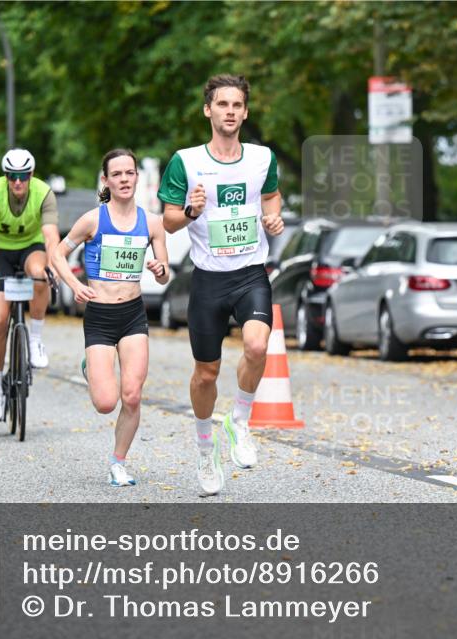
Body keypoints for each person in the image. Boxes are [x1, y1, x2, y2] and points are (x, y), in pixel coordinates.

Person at [158, 74, 284, 495]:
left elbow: (271, 196)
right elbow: (168, 221)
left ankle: (239, 421)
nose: (230, 111)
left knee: (257, 347)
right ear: (207, 110)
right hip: (209, 279)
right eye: (222, 104)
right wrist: (191, 211)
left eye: (237, 105)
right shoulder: (186, 161)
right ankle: (204, 449)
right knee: (205, 373)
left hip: (251, 273)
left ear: (245, 112)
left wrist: (272, 217)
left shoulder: (262, 158)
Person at [50, 148, 169, 486]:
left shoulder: (152, 223)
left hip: (133, 315)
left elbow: (164, 275)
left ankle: (118, 462)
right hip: (100, 317)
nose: (124, 179)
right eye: (116, 174)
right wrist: (75, 284)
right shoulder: (92, 220)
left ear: (137, 177)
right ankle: (90, 368)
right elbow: (57, 253)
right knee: (105, 403)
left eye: (129, 173)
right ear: (106, 180)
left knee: (132, 395)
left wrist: (160, 270)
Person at [0, 148, 60, 421]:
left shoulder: (44, 193)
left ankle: (35, 340)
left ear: (31, 174)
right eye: (12, 176)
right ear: (5, 176)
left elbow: (51, 236)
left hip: (30, 248)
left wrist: (54, 264)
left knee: (40, 273)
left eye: (23, 176)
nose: (17, 182)